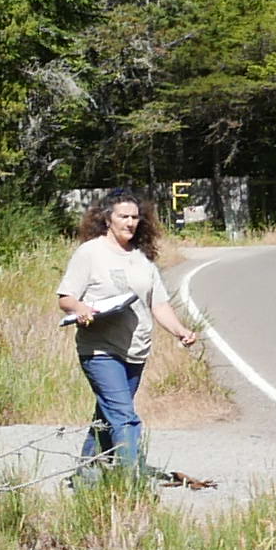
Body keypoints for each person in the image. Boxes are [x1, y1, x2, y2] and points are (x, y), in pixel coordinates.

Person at [56, 193, 199, 475]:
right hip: (100, 350)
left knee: (108, 415)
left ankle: (88, 470)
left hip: (136, 350)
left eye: (135, 217)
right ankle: (129, 479)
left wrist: (180, 331)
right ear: (107, 219)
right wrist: (81, 308)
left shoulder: (142, 258)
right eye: (123, 216)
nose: (130, 222)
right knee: (124, 417)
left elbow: (158, 304)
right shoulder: (90, 253)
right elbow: (66, 298)